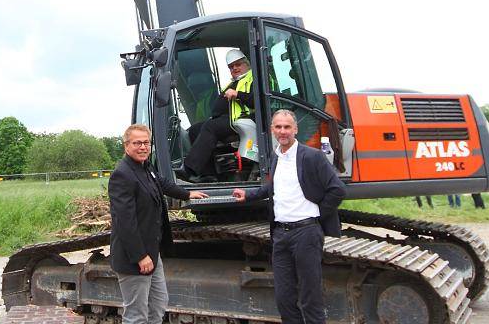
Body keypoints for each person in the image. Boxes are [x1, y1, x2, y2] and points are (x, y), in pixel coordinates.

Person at [231, 110, 346, 324]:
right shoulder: (277, 157)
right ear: (272, 130)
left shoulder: (312, 156)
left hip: (306, 233)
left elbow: (337, 190)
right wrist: (249, 194)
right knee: (284, 298)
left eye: (287, 127)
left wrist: (318, 214)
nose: (282, 131)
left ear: (295, 129)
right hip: (281, 236)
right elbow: (273, 188)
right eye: (278, 127)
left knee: (310, 298)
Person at [109, 124, 208, 324]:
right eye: (137, 143)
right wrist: (140, 256)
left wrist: (187, 193)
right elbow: (125, 223)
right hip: (135, 258)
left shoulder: (145, 167)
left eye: (146, 142)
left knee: (159, 304)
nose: (143, 147)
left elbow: (161, 182)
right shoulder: (122, 175)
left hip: (152, 252)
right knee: (136, 314)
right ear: (126, 145)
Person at [179, 48, 256, 182]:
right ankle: (208, 174)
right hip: (230, 119)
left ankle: (189, 169)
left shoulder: (255, 78)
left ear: (247, 64)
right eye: (231, 67)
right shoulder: (233, 82)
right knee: (195, 129)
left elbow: (258, 100)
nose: (235, 68)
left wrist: (238, 95)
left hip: (245, 119)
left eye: (238, 65)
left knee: (211, 127)